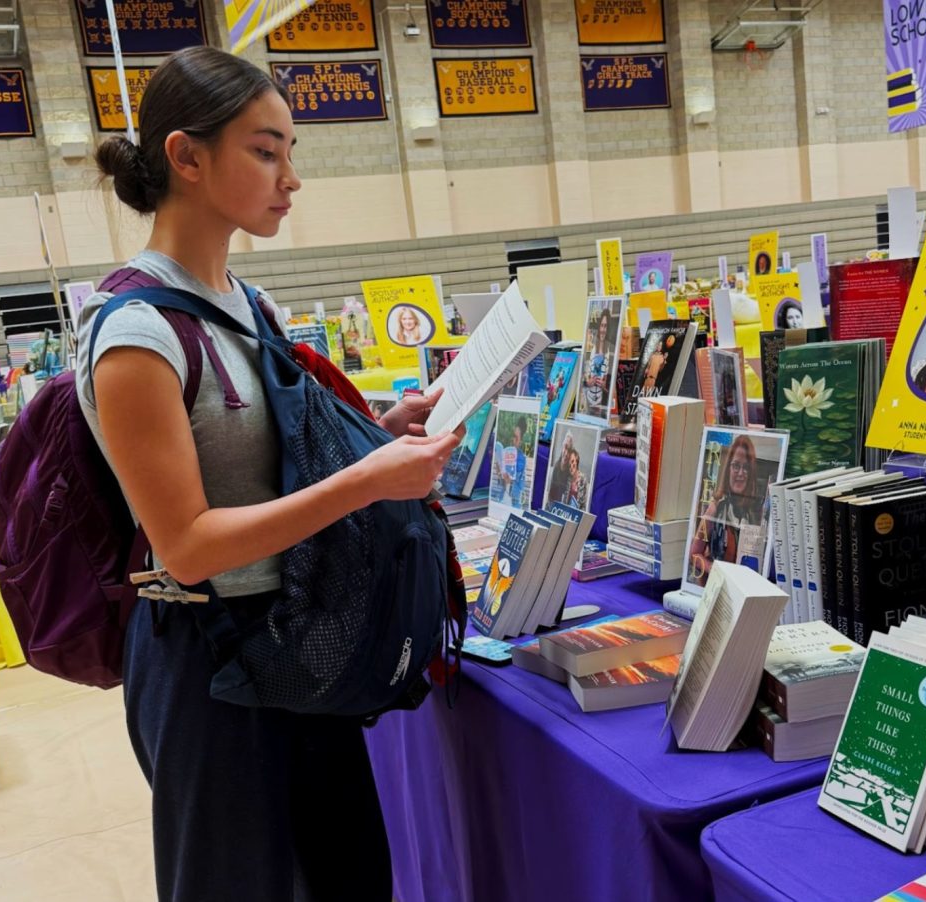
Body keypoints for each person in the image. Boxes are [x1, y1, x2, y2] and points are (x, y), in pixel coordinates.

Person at [79, 47, 461, 901]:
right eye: (265, 150)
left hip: (298, 638)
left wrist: (380, 436)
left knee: (348, 875)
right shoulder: (137, 333)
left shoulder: (250, 307)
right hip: (207, 663)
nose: (290, 177)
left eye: (291, 152)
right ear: (186, 156)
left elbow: (271, 464)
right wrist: (366, 484)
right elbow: (186, 546)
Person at [688, 434, 763, 587]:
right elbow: (694, 555)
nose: (740, 473)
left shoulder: (755, 514)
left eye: (746, 468)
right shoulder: (716, 507)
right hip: (715, 588)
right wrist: (716, 571)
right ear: (729, 468)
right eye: (736, 465)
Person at [583, 307, 613, 411]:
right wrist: (587, 382)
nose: (603, 330)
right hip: (586, 403)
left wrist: (605, 386)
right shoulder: (589, 348)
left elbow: (613, 387)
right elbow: (582, 378)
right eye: (601, 325)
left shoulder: (611, 352)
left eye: (606, 326)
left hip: (602, 405)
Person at [547, 432, 574, 505]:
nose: (566, 453)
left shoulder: (571, 473)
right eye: (565, 447)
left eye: (569, 450)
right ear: (562, 448)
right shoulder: (555, 468)